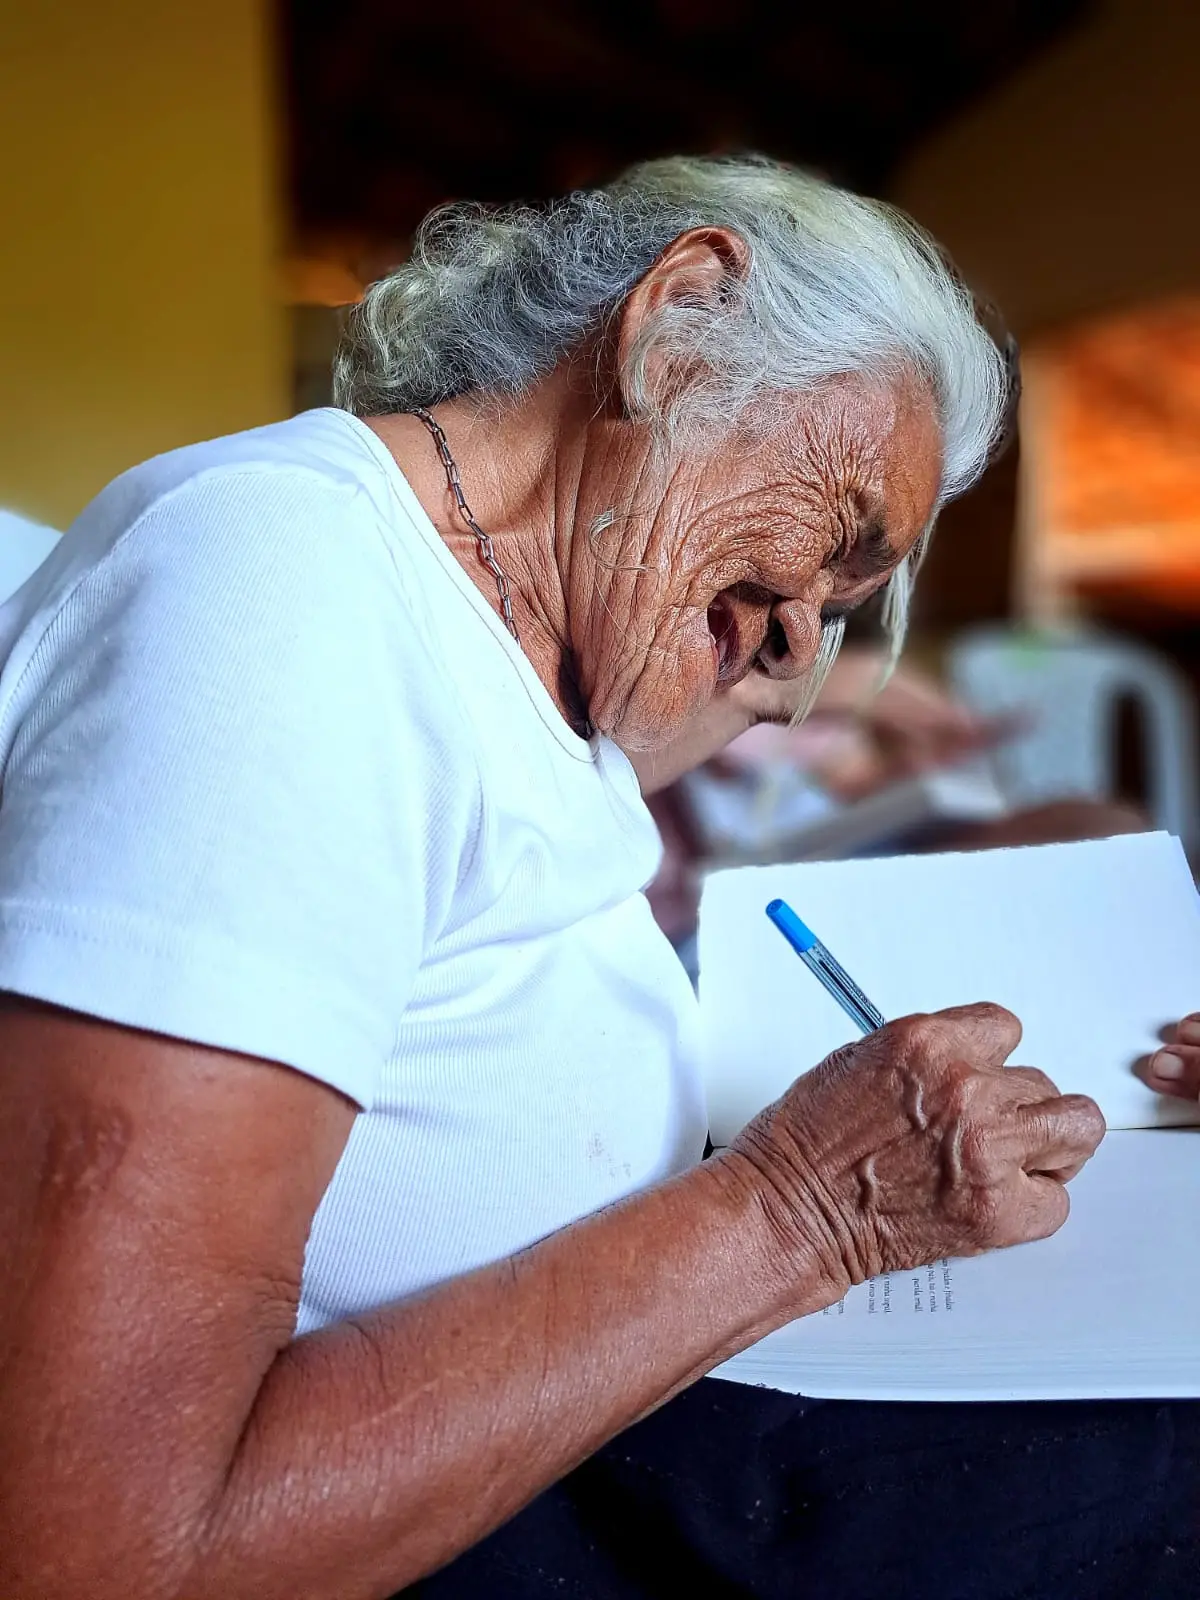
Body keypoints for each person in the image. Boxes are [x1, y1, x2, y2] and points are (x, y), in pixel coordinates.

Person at [0, 156, 1194, 1600]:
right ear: (679, 324)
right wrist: (799, 1211)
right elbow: (94, 1543)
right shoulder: (283, 599)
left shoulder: (532, 642)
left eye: (839, 617)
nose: (798, 663)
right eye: (836, 546)